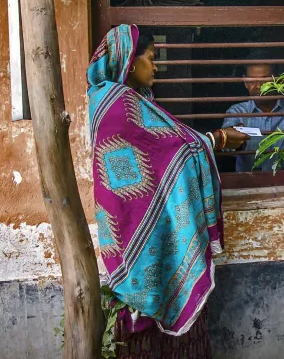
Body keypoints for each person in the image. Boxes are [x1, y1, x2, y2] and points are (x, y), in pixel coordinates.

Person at [87, 24, 249, 358]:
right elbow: (172, 151)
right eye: (151, 57)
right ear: (130, 61)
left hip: (139, 224)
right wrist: (218, 139)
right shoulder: (118, 106)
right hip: (130, 226)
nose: (156, 66)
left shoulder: (124, 101)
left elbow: (168, 149)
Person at [222, 58, 284, 172]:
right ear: (245, 82)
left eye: (265, 80)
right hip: (250, 184)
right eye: (251, 81)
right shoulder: (237, 112)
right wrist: (233, 141)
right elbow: (225, 146)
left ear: (277, 80)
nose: (258, 86)